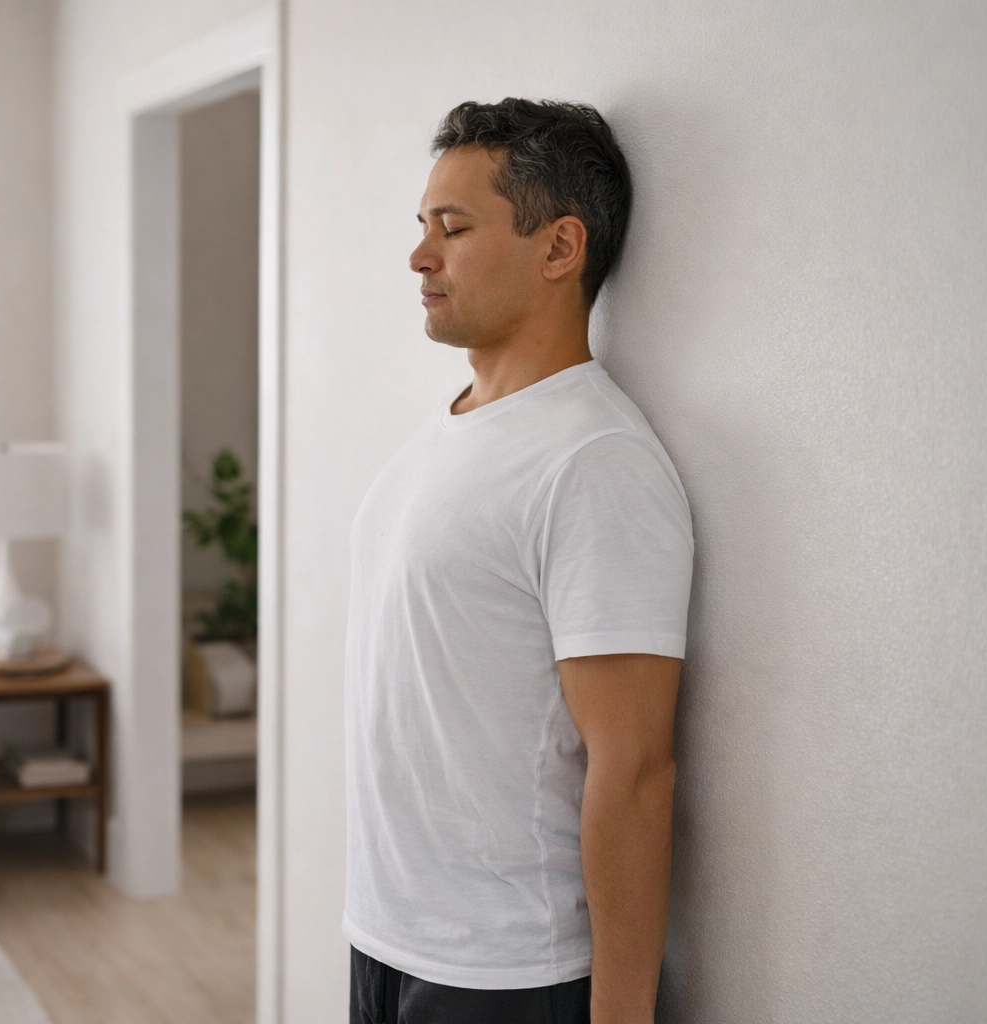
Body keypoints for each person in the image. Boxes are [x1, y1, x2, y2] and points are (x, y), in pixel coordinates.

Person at [344, 98, 694, 1024]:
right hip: (388, 934)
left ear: (559, 249)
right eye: (422, 228)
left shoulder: (595, 462)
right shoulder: (454, 429)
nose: (420, 256)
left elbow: (636, 768)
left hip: (507, 974)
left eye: (452, 229)